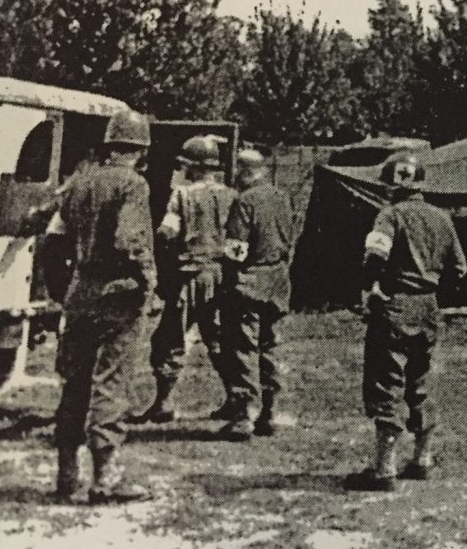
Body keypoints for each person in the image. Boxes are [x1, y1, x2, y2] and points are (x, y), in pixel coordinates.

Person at [50, 110, 157, 504]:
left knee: (75, 382)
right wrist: (148, 278)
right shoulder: (133, 185)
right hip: (119, 294)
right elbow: (129, 240)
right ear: (141, 150)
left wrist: (64, 288)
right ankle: (105, 480)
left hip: (81, 293)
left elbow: (54, 236)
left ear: (109, 145)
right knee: (111, 382)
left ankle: (66, 475)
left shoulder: (79, 182)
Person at [348, 151, 467, 492]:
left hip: (395, 305)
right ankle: (422, 458)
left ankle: (383, 468)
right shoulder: (442, 217)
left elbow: (375, 255)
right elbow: (460, 268)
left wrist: (371, 287)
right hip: (428, 307)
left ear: (391, 185)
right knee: (420, 381)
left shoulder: (390, 215)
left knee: (387, 381)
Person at [131, 136, 237, 423]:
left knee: (169, 338)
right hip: (219, 275)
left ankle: (163, 403)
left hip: (189, 275)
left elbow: (168, 232)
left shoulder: (182, 195)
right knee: (217, 338)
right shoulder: (231, 195)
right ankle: (236, 400)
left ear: (192, 166)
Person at [218, 148, 294, 441]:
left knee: (243, 348)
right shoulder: (282, 197)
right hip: (277, 280)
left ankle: (242, 417)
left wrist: (225, 269)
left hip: (249, 282)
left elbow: (236, 249)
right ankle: (270, 413)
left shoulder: (244, 200)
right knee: (270, 346)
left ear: (244, 171)